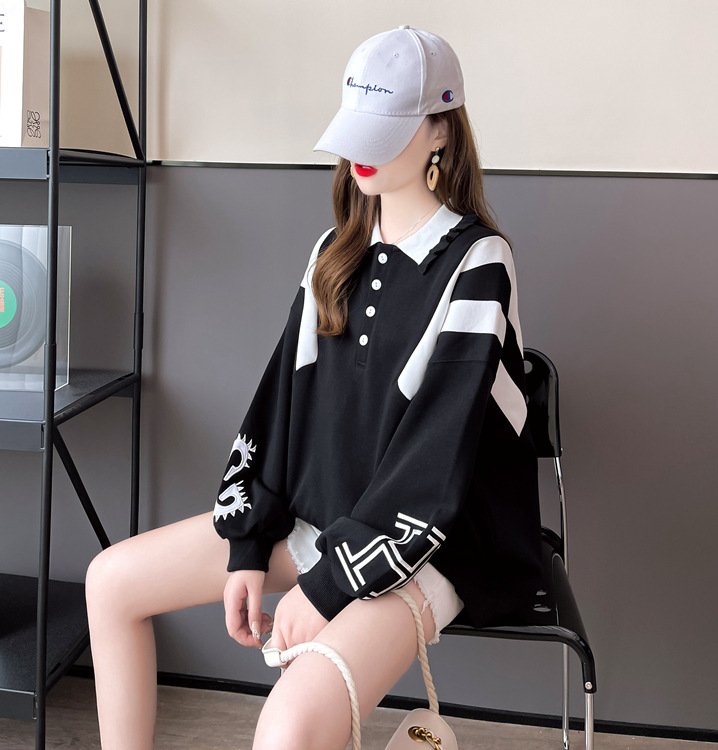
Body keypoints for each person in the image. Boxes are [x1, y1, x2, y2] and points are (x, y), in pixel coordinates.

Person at [85, 25, 542, 750]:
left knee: (289, 726)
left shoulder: (480, 263)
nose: (361, 152)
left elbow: (433, 464)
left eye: (386, 128)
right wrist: (248, 545)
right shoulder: (334, 251)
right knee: (111, 581)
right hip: (322, 513)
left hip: (430, 542)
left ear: (440, 130)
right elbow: (281, 409)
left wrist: (328, 585)